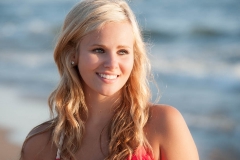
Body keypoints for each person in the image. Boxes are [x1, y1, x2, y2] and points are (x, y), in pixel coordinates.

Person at [20, 0, 199, 159]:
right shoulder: (41, 144)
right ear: (72, 54)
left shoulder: (163, 124)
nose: (112, 64)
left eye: (122, 51)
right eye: (99, 50)